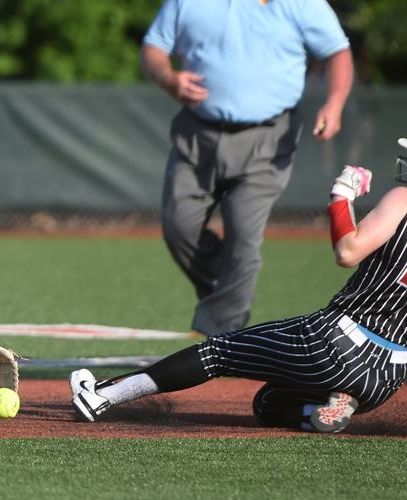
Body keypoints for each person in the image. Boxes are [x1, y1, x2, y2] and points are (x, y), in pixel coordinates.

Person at [70, 119, 407, 434]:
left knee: (219, 351)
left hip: (336, 342)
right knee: (269, 402)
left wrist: (341, 197)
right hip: (386, 378)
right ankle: (324, 410)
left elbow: (348, 251)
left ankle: (104, 395)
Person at [141, 0, 353, 336]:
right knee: (179, 226)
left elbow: (337, 51)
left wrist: (335, 102)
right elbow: (154, 47)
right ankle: (226, 294)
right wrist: (169, 78)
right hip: (198, 133)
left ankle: (222, 334)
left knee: (243, 237)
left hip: (267, 137)